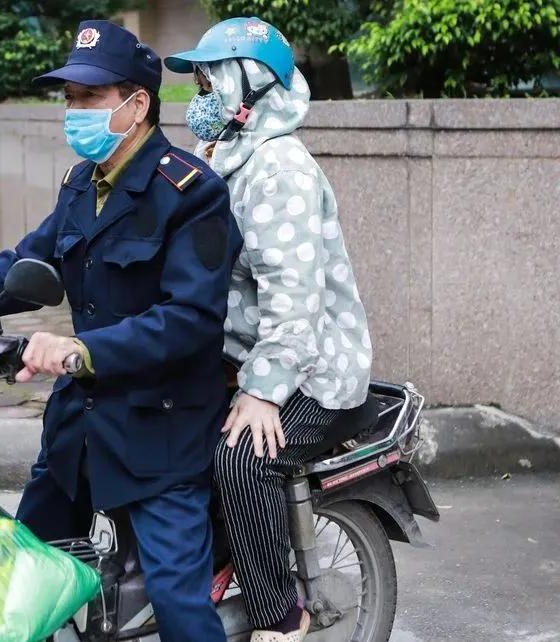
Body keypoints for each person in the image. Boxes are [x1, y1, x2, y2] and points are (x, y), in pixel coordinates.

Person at [0, 20, 239, 642]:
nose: (73, 111)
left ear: (136, 104)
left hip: (159, 432)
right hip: (80, 427)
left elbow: (191, 321)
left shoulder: (190, 193)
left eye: (89, 98)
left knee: (176, 601)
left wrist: (81, 348)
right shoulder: (82, 185)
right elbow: (15, 268)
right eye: (68, 99)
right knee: (18, 574)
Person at [164, 17, 372, 642]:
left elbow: (294, 298)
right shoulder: (227, 154)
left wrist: (262, 392)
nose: (198, 98)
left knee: (243, 456)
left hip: (310, 370)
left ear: (247, 87)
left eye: (207, 83)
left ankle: (281, 614)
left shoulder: (279, 170)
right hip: (247, 356)